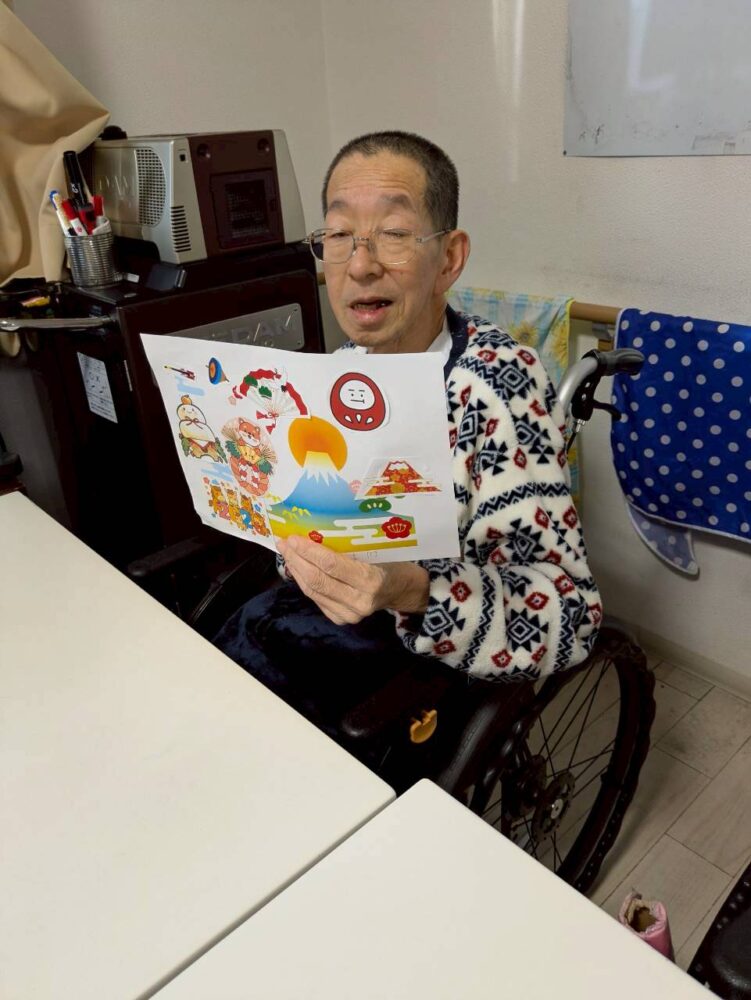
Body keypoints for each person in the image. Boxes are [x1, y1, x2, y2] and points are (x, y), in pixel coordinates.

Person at [215, 131, 601, 742]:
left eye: (394, 233)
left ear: (449, 259)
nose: (360, 265)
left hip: (427, 659)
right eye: (338, 235)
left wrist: (415, 590)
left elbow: (569, 613)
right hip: (319, 620)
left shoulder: (496, 385)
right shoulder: (341, 372)